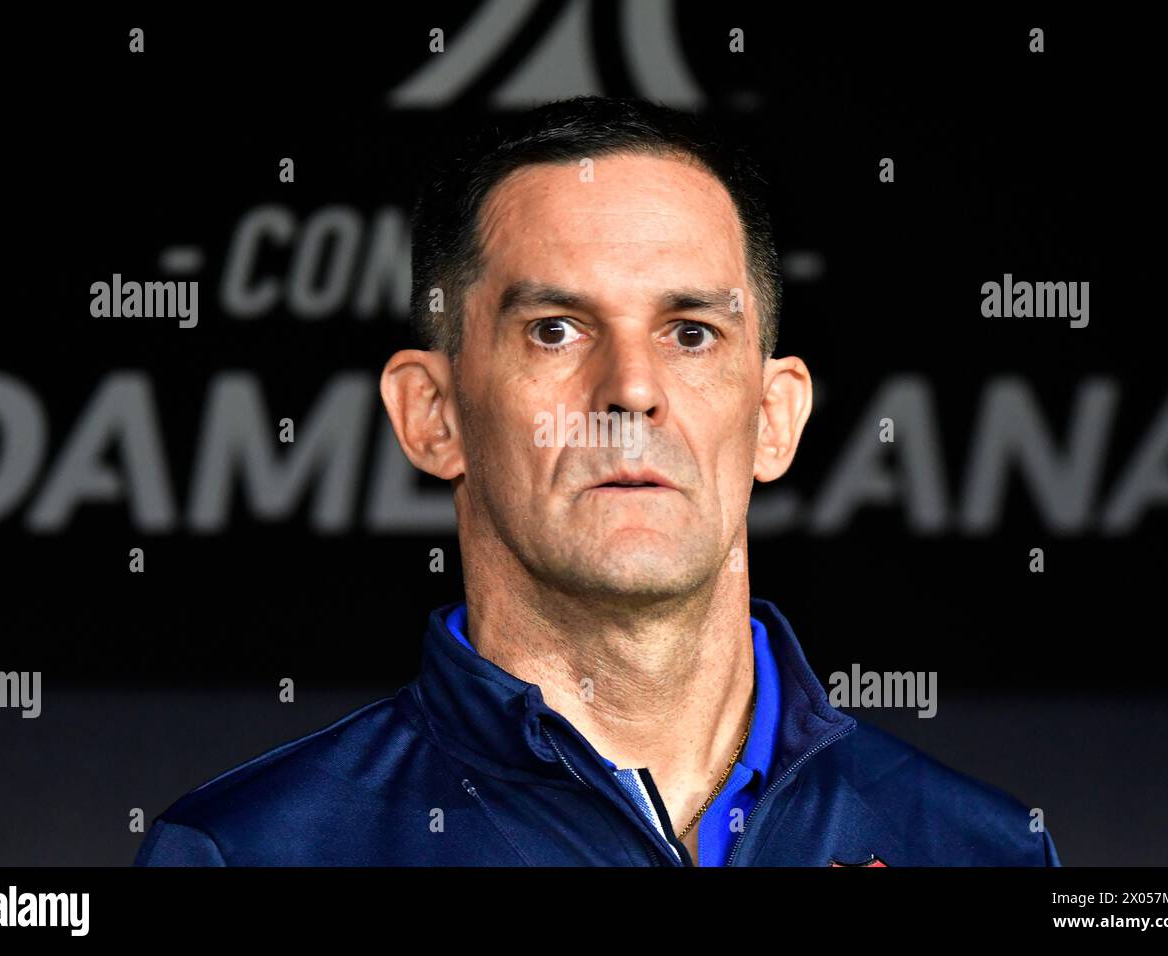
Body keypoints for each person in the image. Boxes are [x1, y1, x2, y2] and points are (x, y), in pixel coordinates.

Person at [135, 96, 1060, 867]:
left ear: (776, 418)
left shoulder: (985, 854)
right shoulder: (251, 855)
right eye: (556, 329)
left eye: (691, 332)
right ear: (434, 413)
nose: (631, 390)